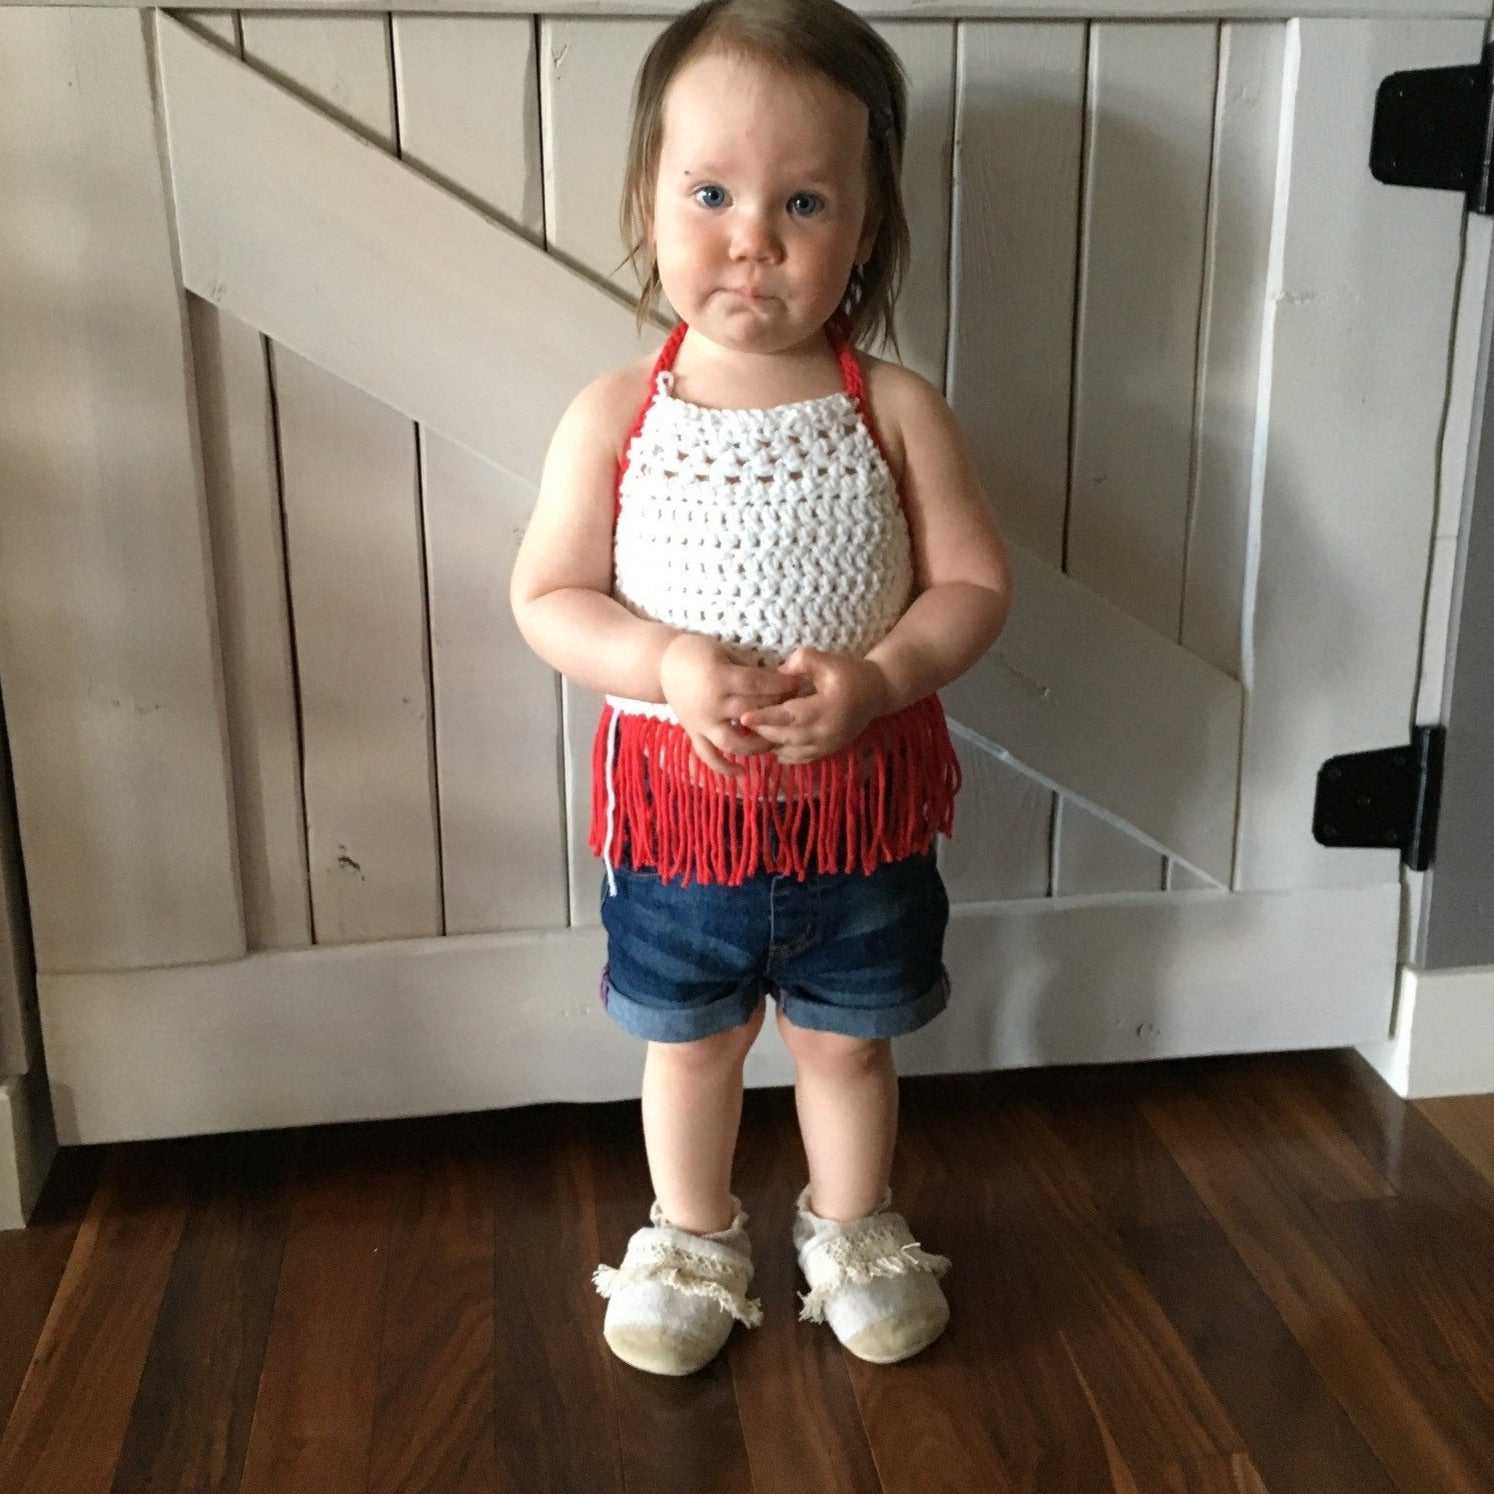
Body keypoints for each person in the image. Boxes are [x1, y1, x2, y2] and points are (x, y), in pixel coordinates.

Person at [510, 0, 1011, 1377]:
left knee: (848, 1047)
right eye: (712, 193)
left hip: (859, 815)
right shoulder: (617, 412)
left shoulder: (892, 408)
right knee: (691, 1044)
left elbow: (969, 586)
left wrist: (884, 674)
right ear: (648, 203)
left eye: (802, 200)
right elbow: (548, 596)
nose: (753, 238)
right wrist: (664, 665)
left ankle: (851, 1222)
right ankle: (690, 1228)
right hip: (685, 823)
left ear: (864, 229)